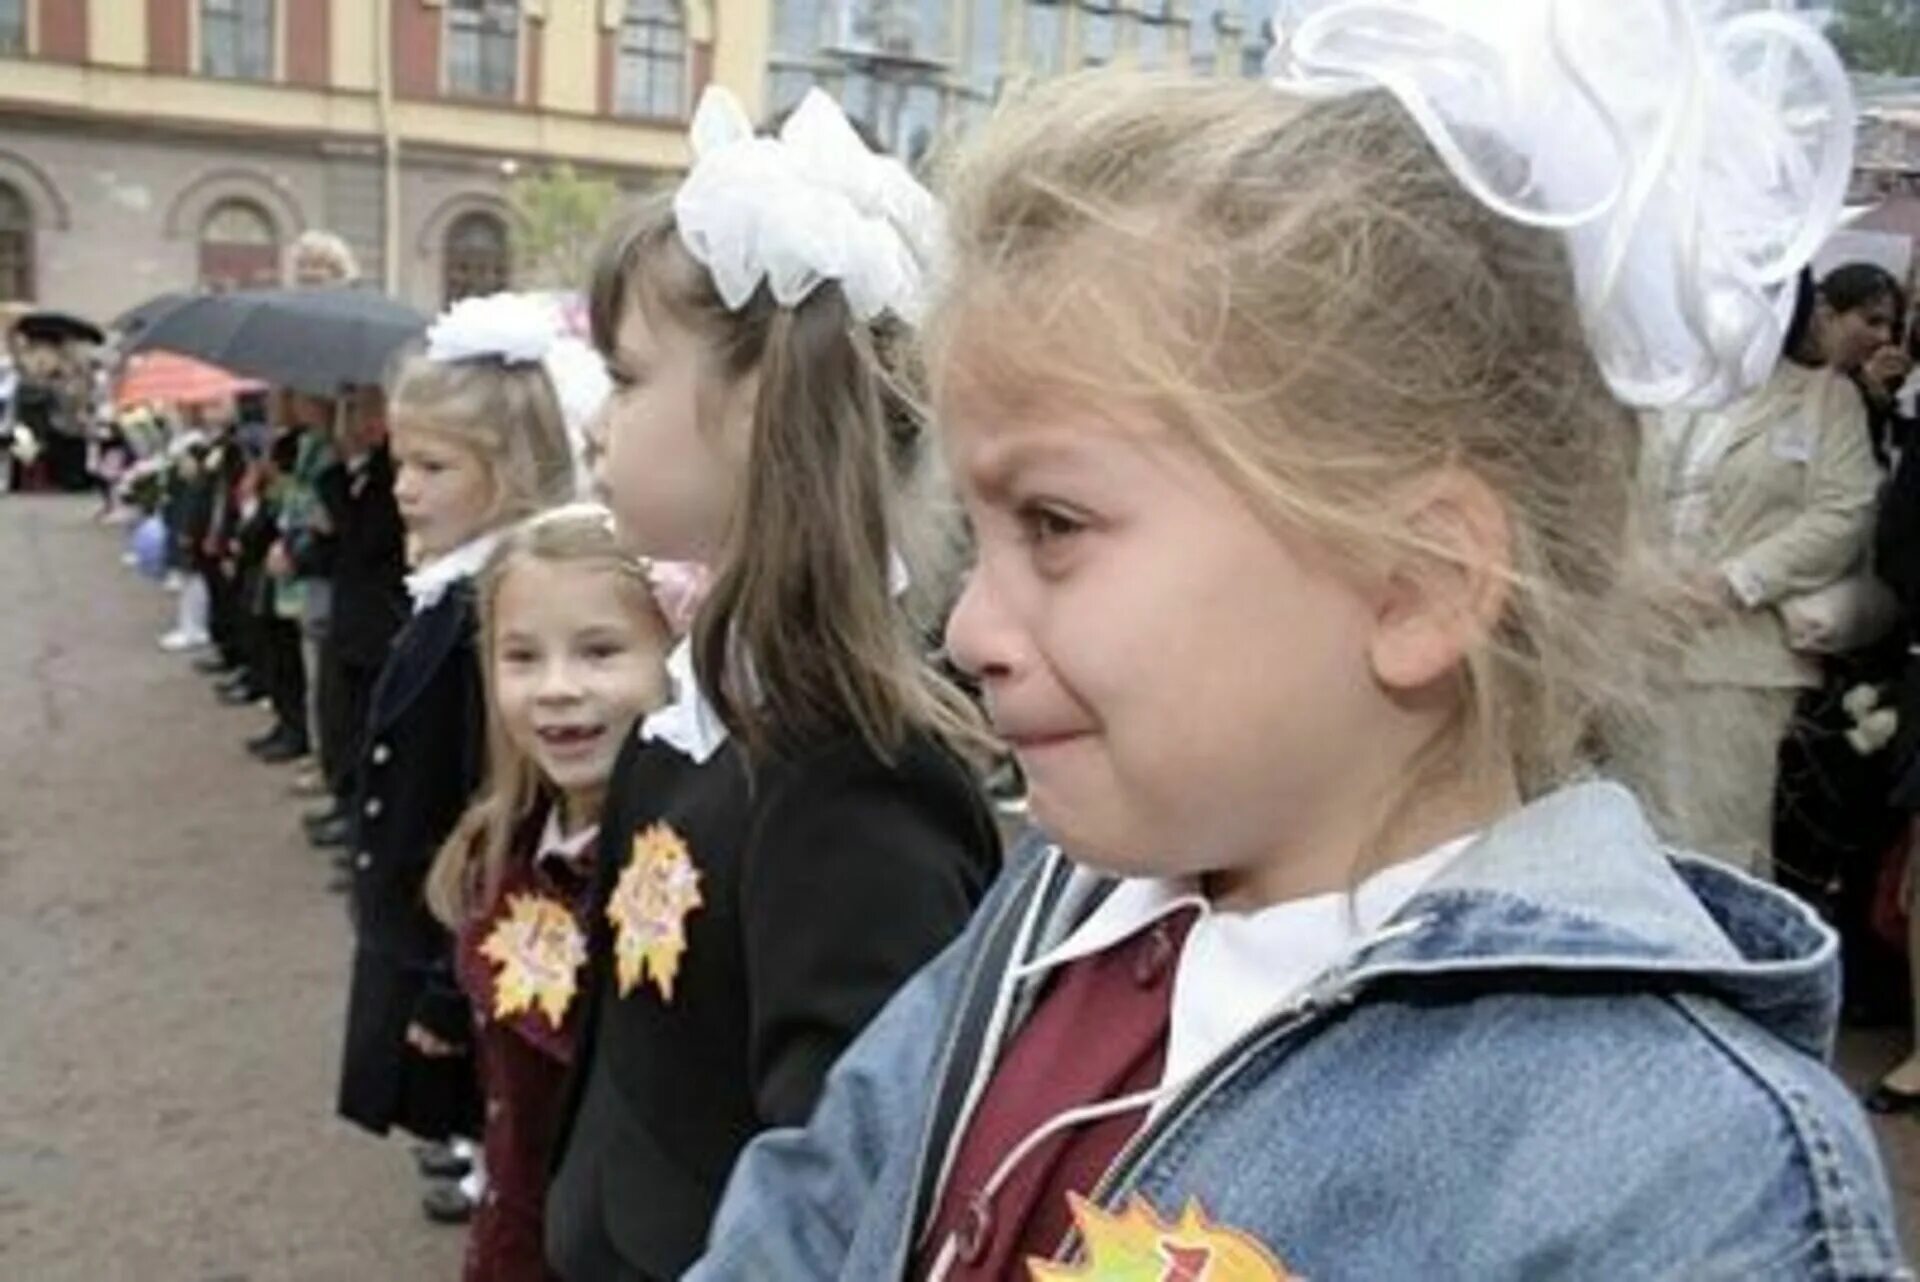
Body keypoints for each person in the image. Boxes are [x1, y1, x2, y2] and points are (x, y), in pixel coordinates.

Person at [683, 48, 1905, 1282]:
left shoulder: (1678, 1181)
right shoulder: (1059, 910)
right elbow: (814, 1203)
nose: (966, 631)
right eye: (978, 538)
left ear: (1417, 582)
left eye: (1052, 527)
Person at [543, 87, 1002, 1282]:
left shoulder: (853, 780)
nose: (598, 418)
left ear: (753, 409)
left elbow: (860, 1183)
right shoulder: (701, 706)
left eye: (629, 374)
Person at [333, 292, 585, 1174]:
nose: (404, 487)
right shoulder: (453, 588)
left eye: (434, 467)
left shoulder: (498, 613)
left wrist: (447, 992)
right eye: (403, 462)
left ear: (509, 469)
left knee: (508, 1151)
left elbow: (503, 813)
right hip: (431, 924)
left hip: (466, 943)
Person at [425, 505, 678, 1282]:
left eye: (600, 652)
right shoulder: (501, 845)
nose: (557, 689)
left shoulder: (676, 875)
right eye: (522, 658)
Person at [1622, 267, 1883, 878]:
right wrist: (1639, 573)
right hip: (1636, 649)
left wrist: (1736, 580)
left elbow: (1845, 512)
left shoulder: (1824, 398)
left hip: (1736, 660)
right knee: (1631, 842)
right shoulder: (1661, 390)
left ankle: (1716, 971)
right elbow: (1614, 492)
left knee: (1718, 848)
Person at [306, 386, 410, 871]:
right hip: (349, 620)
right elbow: (337, 550)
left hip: (379, 624)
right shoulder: (355, 475)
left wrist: (332, 489)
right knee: (339, 719)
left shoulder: (391, 477)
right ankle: (345, 804)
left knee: (370, 729)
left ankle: (364, 832)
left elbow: (368, 540)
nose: (354, 425)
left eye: (364, 413)